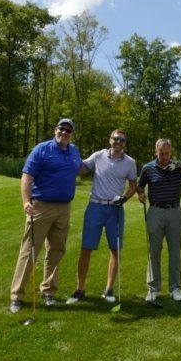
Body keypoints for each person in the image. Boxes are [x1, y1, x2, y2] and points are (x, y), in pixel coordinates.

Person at [9, 118, 83, 313]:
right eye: (62, 128)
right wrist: (26, 201)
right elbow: (27, 176)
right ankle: (17, 296)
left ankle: (49, 292)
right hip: (41, 207)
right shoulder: (42, 149)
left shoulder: (74, 151)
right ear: (55, 129)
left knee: (56, 250)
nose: (65, 132)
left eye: (69, 130)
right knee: (30, 250)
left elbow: (82, 168)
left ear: (72, 134)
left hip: (64, 208)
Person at [66, 129, 137, 305]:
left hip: (115, 209)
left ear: (125, 143)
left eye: (122, 139)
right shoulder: (98, 156)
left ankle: (109, 290)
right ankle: (80, 289)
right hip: (95, 207)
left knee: (115, 249)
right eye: (115, 139)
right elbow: (82, 169)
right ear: (110, 139)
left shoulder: (130, 162)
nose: (118, 142)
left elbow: (133, 185)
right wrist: (71, 157)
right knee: (86, 248)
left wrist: (124, 198)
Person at [137, 139, 181, 303]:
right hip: (155, 211)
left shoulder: (177, 167)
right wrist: (141, 194)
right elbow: (140, 185)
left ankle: (175, 288)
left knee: (175, 251)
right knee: (154, 250)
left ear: (171, 152)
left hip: (174, 212)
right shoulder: (148, 168)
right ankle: (153, 288)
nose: (163, 156)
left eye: (167, 153)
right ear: (156, 151)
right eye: (161, 153)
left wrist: (180, 163)